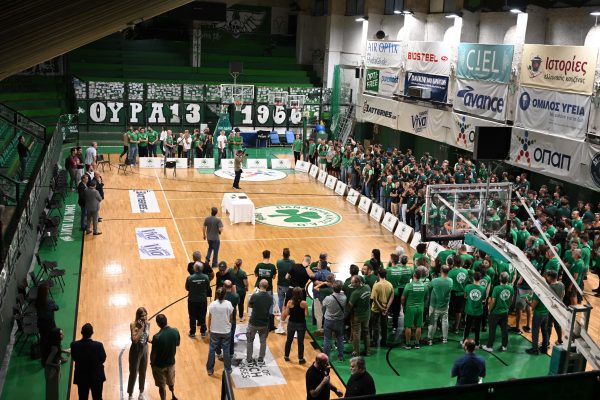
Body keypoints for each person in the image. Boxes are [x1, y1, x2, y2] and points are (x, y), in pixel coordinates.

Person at [71, 323, 106, 399]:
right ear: (92, 333)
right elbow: (103, 359)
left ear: (81, 333)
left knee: (82, 398)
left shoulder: (74, 345)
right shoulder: (99, 345)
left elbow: (74, 358)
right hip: (96, 377)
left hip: (82, 377)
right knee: (97, 398)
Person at [150, 314, 180, 400]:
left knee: (162, 386)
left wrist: (152, 363)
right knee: (171, 382)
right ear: (166, 320)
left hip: (159, 366)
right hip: (171, 363)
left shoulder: (156, 337)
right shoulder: (175, 331)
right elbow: (177, 344)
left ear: (158, 324)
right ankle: (173, 395)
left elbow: (154, 354)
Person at [482, 272, 514, 352]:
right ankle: (504, 346)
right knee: (504, 329)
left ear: (500, 278)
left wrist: (489, 310)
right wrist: (507, 307)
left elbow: (493, 301)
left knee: (492, 330)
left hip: (495, 312)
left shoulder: (496, 288)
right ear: (508, 279)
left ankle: (489, 346)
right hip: (505, 312)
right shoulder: (511, 288)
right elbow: (511, 300)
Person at [206, 287, 234, 375]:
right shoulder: (229, 304)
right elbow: (230, 318)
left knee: (212, 350)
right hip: (226, 331)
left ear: (217, 295)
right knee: (226, 350)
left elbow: (209, 318)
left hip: (214, 330)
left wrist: (209, 329)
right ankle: (228, 369)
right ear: (225, 294)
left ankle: (210, 370)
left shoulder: (212, 304)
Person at [246, 279, 272, 364]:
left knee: (250, 341)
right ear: (267, 286)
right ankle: (261, 359)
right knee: (263, 341)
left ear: (259, 285)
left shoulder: (255, 296)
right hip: (264, 323)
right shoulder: (270, 297)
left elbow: (249, 305)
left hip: (253, 322)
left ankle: (249, 359)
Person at [427, 265, 453, 345]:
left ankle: (430, 339)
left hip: (434, 306)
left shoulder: (435, 281)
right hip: (445, 306)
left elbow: (428, 287)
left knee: (432, 323)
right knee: (445, 321)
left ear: (441, 271)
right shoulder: (450, 280)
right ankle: (445, 339)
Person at [402, 270, 428, 349]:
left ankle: (408, 344)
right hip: (420, 308)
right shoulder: (425, 286)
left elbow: (403, 298)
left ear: (413, 275)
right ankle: (417, 343)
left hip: (410, 308)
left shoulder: (408, 285)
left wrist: (403, 306)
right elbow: (426, 298)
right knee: (419, 326)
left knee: (408, 326)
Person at [282, 286, 308, 364]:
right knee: (300, 342)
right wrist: (305, 308)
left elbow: (286, 314)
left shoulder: (290, 302)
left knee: (289, 340)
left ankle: (286, 356)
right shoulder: (304, 303)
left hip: (291, 323)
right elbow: (306, 315)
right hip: (301, 324)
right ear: (301, 293)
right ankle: (300, 359)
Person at [128, 307, 150, 400]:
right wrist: (141, 329)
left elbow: (147, 338)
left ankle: (141, 392)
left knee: (143, 372)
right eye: (142, 316)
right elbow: (135, 340)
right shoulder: (133, 325)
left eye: (145, 315)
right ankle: (130, 394)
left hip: (144, 349)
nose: (144, 317)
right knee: (133, 373)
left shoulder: (148, 324)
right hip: (135, 350)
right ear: (138, 316)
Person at [322, 280, 346, 362]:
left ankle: (326, 358)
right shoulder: (344, 298)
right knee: (340, 339)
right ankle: (341, 357)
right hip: (339, 320)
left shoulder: (328, 298)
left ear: (332, 288)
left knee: (327, 339)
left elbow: (323, 304)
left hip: (328, 320)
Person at [347, 275, 371, 357]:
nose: (351, 284)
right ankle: (368, 351)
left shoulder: (355, 293)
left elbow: (350, 305)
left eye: (352, 283)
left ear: (357, 283)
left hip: (357, 316)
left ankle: (356, 352)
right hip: (367, 314)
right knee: (366, 332)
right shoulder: (368, 288)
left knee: (356, 333)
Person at [42, 327, 68, 400]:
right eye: (60, 334)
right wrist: (57, 365)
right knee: (53, 391)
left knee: (51, 390)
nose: (63, 335)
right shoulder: (55, 348)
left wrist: (65, 351)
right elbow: (47, 362)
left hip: (51, 370)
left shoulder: (52, 343)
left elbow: (57, 350)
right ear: (57, 336)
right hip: (51, 371)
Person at [186, 262, 210, 338]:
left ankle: (192, 333)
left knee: (192, 316)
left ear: (195, 269)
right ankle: (203, 332)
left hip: (192, 300)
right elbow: (207, 287)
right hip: (202, 300)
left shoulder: (190, 278)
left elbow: (187, 288)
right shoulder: (206, 277)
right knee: (202, 316)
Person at [370, 268, 394, 347]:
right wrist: (386, 308)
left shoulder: (376, 285)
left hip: (376, 309)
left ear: (378, 275)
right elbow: (392, 297)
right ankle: (384, 341)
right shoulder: (390, 284)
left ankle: (374, 341)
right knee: (384, 326)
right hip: (385, 309)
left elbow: (374, 299)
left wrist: (380, 308)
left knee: (375, 326)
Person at [254, 250, 277, 330]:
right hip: (269, 288)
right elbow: (274, 277)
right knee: (269, 307)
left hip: (259, 288)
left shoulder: (259, 265)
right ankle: (270, 326)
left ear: (262, 256)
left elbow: (256, 275)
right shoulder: (272, 266)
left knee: (259, 306)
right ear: (269, 256)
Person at [462, 272, 486, 347]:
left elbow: (465, 296)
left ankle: (464, 341)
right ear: (481, 279)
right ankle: (477, 343)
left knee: (467, 326)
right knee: (477, 327)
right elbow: (484, 299)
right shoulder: (483, 289)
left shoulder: (468, 286)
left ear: (473, 278)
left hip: (469, 310)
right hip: (478, 311)